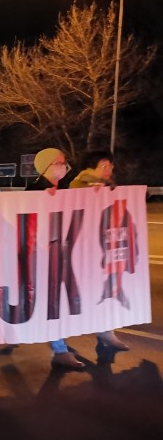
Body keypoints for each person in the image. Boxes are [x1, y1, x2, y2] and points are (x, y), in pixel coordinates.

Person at [28, 147, 85, 370]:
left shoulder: (63, 190)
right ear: (46, 167)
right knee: (52, 303)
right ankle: (60, 350)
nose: (64, 166)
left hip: (60, 255)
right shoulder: (33, 190)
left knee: (57, 302)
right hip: (43, 258)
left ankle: (59, 346)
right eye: (59, 163)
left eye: (64, 162)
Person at [69, 149, 129, 355]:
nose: (109, 169)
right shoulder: (78, 184)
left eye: (110, 165)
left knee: (106, 290)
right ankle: (59, 344)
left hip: (103, 248)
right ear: (91, 168)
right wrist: (92, 189)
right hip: (84, 250)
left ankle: (106, 333)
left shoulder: (109, 187)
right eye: (104, 166)